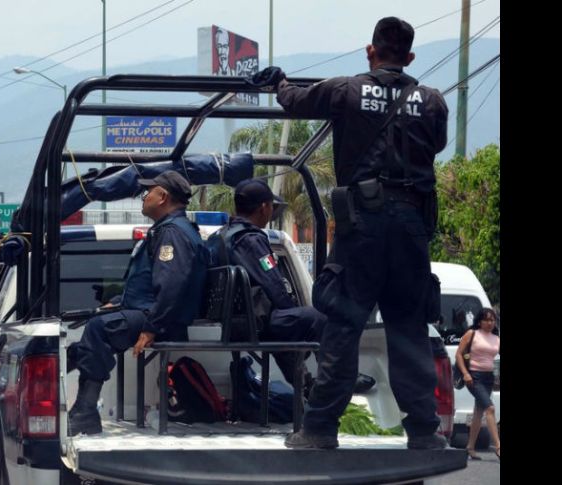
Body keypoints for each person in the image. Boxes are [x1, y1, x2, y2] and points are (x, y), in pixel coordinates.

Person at [253, 17, 449, 450]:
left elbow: (294, 101)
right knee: (409, 328)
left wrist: (278, 81)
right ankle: (423, 430)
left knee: (343, 325)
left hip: (363, 226)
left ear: (370, 50)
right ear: (410, 56)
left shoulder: (347, 89)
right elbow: (435, 145)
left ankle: (321, 428)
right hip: (413, 228)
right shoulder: (432, 101)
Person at [66, 170, 208, 436]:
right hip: (151, 312)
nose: (143, 198)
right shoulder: (166, 231)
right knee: (93, 327)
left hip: (164, 320)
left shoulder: (173, 234)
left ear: (163, 196)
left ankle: (85, 413)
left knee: (99, 329)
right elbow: (149, 283)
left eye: (148, 192)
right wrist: (117, 302)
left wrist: (152, 326)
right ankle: (69, 394)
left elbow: (172, 286)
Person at [207, 179, 373, 397]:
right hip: (253, 323)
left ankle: (305, 385)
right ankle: (340, 378)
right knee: (319, 318)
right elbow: (273, 283)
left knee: (285, 327)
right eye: (271, 207)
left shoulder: (219, 237)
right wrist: (290, 308)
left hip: (233, 322)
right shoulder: (251, 239)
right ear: (264, 207)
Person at [456, 308, 500, 460]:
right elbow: (459, 354)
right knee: (490, 408)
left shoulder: (496, 338)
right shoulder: (472, 334)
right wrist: (466, 373)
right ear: (480, 321)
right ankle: (499, 447)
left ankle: (470, 447)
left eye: (492, 320)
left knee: (478, 412)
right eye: (486, 320)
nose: (489, 323)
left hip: (489, 377)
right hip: (474, 376)